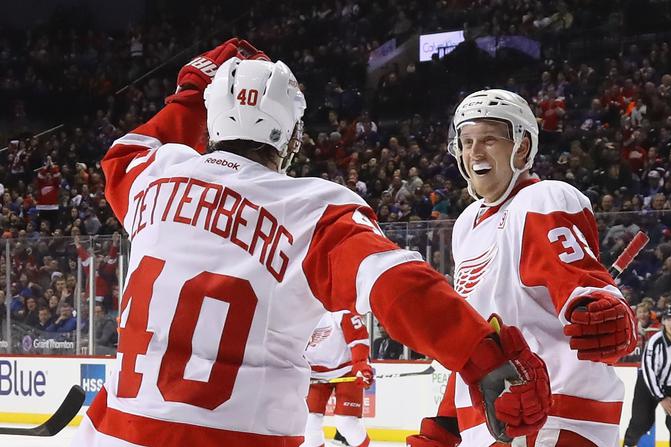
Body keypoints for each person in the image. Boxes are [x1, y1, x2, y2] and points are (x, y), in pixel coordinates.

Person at [72, 44, 550, 447]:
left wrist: (203, 80)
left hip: (115, 431)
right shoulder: (312, 207)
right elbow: (396, 284)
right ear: (291, 133)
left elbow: (125, 153)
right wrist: (481, 354)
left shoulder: (155, 176)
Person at [408, 89, 637, 447]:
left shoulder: (542, 198)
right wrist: (447, 424)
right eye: (466, 142)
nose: (475, 152)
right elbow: (476, 335)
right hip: (490, 424)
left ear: (522, 147)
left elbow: (580, 283)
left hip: (556, 416)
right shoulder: (467, 224)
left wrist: (600, 308)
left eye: (489, 139)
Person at [301, 311, 372, 447]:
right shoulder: (292, 312)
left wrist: (360, 363)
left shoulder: (338, 308)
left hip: (347, 370)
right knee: (309, 423)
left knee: (346, 422)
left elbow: (358, 337)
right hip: (315, 374)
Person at [624, 303, 671, 447]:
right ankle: (628, 445)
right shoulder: (655, 342)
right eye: (669, 319)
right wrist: (661, 397)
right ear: (663, 322)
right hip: (648, 385)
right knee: (641, 422)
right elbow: (648, 371)